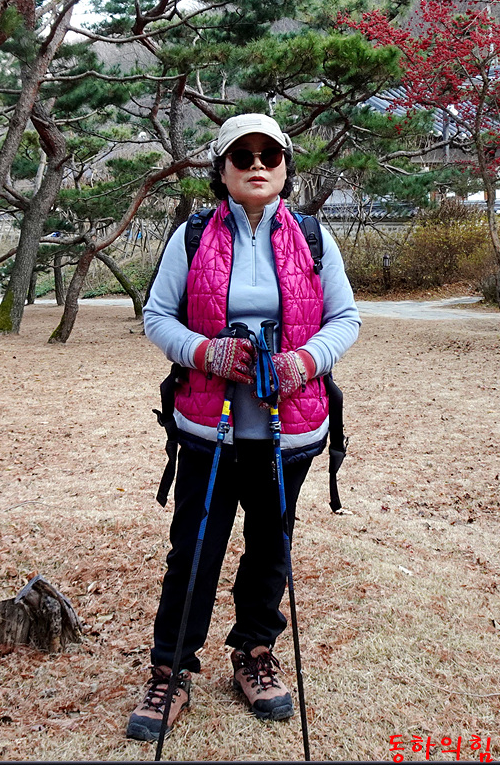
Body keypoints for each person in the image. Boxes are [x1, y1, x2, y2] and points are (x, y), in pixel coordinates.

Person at [127, 113, 360, 741]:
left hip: (290, 431)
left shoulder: (313, 238)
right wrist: (205, 353)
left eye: (269, 155)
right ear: (222, 169)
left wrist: (304, 361)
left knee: (269, 547)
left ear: (285, 167)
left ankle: (255, 653)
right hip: (208, 428)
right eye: (242, 156)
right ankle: (171, 668)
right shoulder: (192, 236)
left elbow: (344, 319)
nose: (257, 165)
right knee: (195, 548)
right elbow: (158, 316)